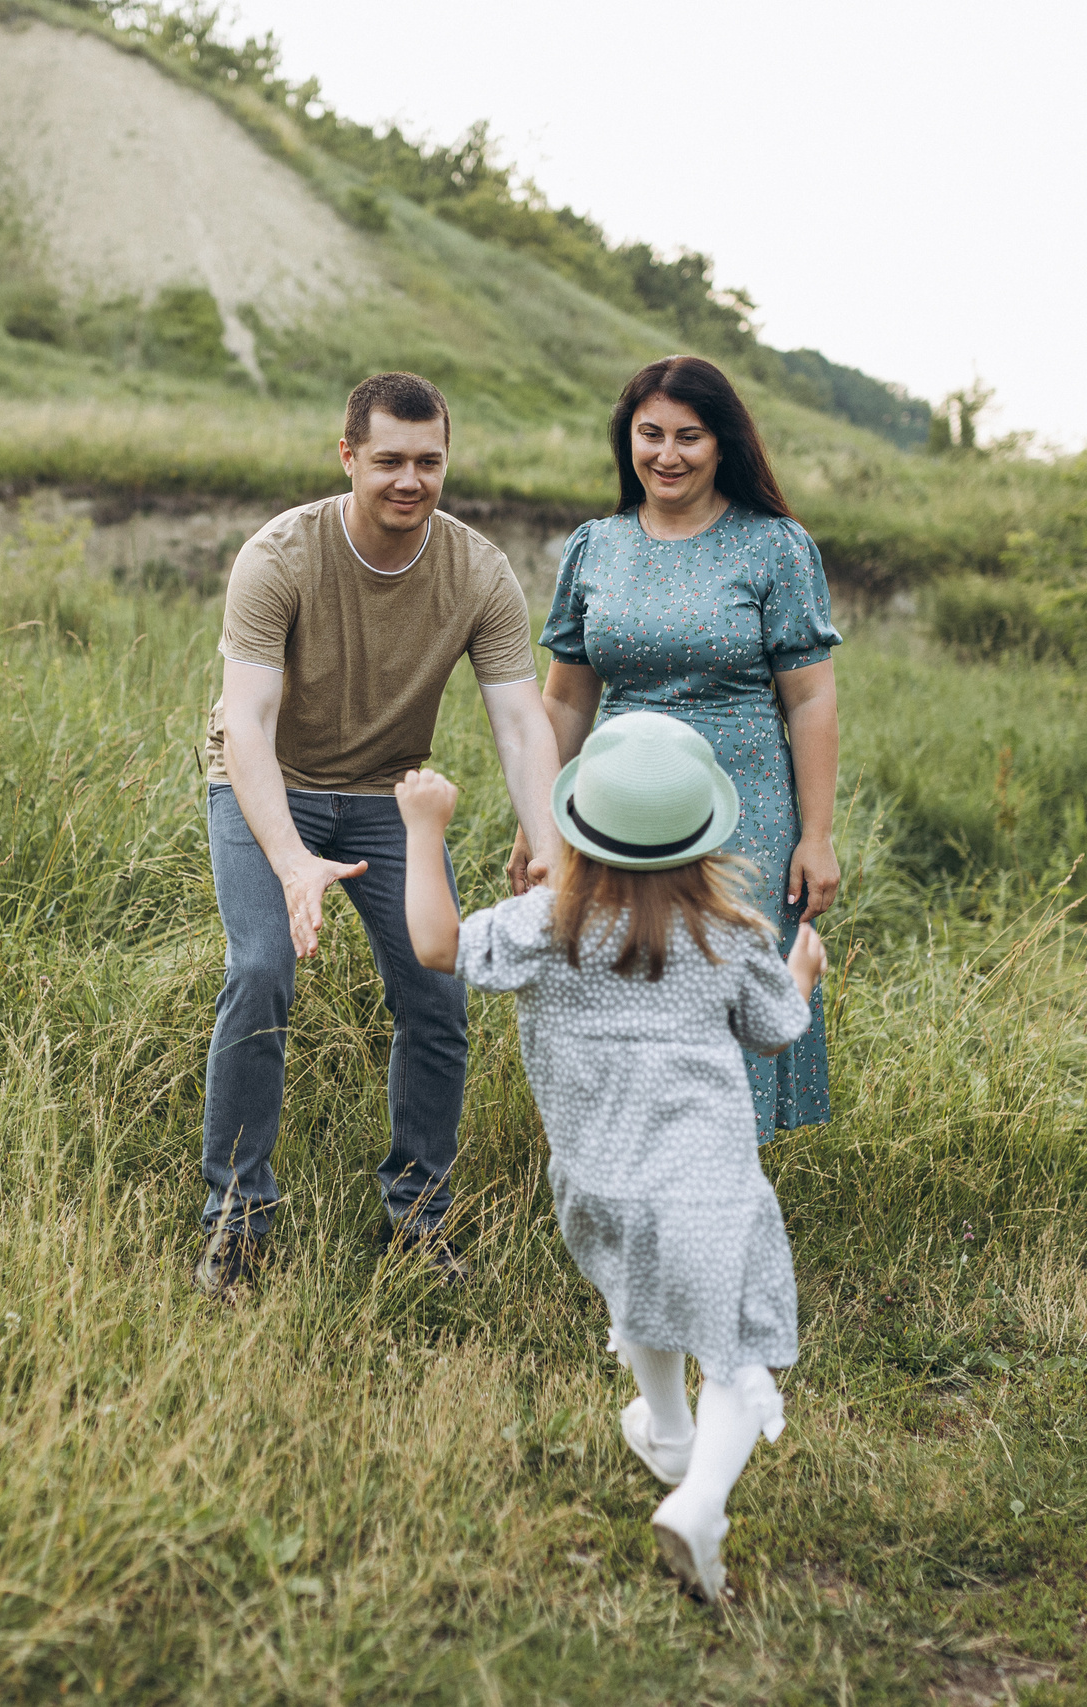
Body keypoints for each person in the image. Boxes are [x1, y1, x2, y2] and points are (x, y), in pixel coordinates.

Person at [397, 713, 825, 1601]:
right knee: (739, 1343)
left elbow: (436, 946)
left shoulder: (544, 924)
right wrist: (803, 975)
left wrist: (423, 829)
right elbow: (780, 1033)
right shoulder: (729, 931)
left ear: (579, 828)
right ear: (704, 838)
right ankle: (700, 1501)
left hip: (597, 1180)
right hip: (706, 1178)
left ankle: (670, 1437)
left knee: (647, 1294)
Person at [195, 371, 566, 1298]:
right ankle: (236, 1221)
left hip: (388, 798)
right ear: (349, 455)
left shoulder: (479, 571)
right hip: (269, 784)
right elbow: (245, 724)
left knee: (438, 993)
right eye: (390, 460)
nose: (411, 479)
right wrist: (292, 864)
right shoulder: (278, 554)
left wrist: (552, 847)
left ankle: (417, 1219)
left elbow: (522, 725)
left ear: (447, 461)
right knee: (260, 972)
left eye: (429, 461)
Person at [511, 355, 840, 1141]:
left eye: (689, 436)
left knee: (723, 983)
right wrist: (535, 822)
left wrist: (817, 835)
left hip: (743, 808)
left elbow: (811, 697)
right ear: (627, 440)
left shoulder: (775, 547)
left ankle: (721, 1180)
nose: (668, 454)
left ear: (722, 442)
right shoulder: (596, 546)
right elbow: (564, 697)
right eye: (649, 434)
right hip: (615, 807)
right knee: (620, 976)